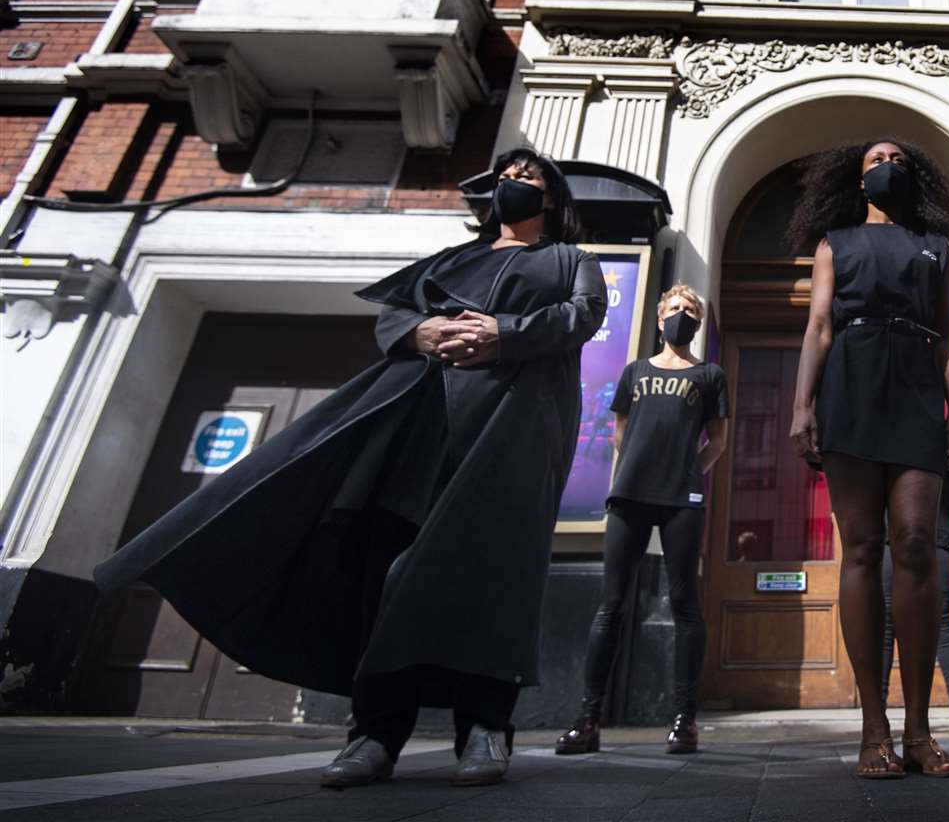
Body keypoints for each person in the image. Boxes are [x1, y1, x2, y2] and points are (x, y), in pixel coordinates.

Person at [95, 148, 607, 788]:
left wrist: (502, 332)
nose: (512, 185)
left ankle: (484, 729)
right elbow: (395, 314)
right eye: (504, 176)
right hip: (420, 430)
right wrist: (420, 335)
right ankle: (374, 736)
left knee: (493, 573)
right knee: (385, 567)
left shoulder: (571, 262)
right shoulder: (450, 261)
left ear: (553, 201)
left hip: (513, 434)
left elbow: (582, 317)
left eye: (527, 179)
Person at [788, 139, 949, 779]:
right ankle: (874, 732)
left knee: (918, 543)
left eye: (895, 157)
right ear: (856, 181)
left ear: (911, 175)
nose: (884, 165)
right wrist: (802, 406)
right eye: (873, 160)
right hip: (852, 383)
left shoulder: (935, 247)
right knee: (862, 548)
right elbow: (818, 327)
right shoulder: (835, 241)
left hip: (918, 388)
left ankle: (921, 733)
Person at [557, 284, 730, 756]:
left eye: (690, 310)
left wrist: (691, 471)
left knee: (684, 603)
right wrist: (638, 463)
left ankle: (684, 721)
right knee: (610, 605)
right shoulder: (634, 372)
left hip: (682, 499)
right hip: (631, 494)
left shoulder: (710, 375)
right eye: (674, 309)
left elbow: (717, 440)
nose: (682, 315)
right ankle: (588, 718)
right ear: (659, 319)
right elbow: (619, 432)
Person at [880, 463, 949, 739]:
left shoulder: (945, 425)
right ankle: (877, 714)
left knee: (944, 618)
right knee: (886, 621)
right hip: (889, 537)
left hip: (938, 535)